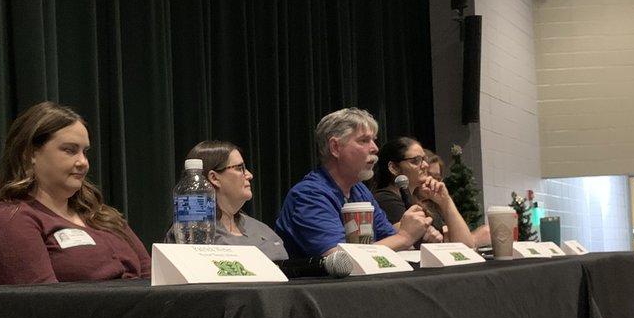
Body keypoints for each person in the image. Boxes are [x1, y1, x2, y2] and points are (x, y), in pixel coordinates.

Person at [0, 102, 151, 284]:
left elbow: (154, 280)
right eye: (70, 150)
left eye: (85, 152)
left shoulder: (103, 215)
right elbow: (44, 305)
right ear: (29, 153)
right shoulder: (11, 218)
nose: (83, 162)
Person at [274, 108, 431, 258]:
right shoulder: (309, 195)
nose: (375, 148)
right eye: (364, 140)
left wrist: (410, 232)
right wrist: (404, 237)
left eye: (374, 141)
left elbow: (389, 239)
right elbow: (340, 258)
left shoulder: (360, 191)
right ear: (335, 147)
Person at [164, 140, 287, 261]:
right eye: (240, 168)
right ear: (214, 178)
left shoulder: (258, 228)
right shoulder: (194, 233)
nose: (249, 175)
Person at [371, 137, 475, 246]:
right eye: (415, 161)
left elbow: (467, 246)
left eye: (424, 159)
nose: (425, 165)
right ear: (394, 168)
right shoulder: (386, 200)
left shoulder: (418, 201)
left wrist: (446, 202)